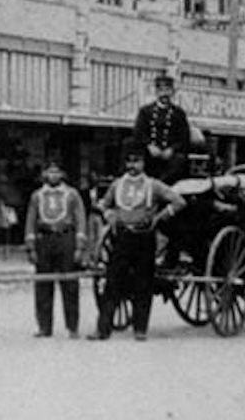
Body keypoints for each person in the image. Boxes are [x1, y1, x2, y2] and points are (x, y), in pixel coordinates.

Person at [88, 140, 185, 342]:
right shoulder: (117, 185)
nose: (132, 166)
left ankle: (140, 329)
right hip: (122, 238)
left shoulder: (154, 185)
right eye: (129, 162)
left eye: (137, 162)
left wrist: (160, 217)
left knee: (143, 284)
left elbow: (179, 201)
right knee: (112, 283)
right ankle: (102, 329)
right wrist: (109, 215)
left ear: (144, 164)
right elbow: (104, 205)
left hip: (144, 238)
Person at [23, 160, 88, 338]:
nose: (53, 175)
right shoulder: (37, 196)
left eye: (56, 172)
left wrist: (80, 246)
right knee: (43, 284)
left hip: (65, 238)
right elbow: (30, 221)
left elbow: (81, 219)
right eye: (49, 172)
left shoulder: (72, 194)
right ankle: (44, 327)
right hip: (44, 239)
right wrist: (31, 247)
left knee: (70, 284)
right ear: (44, 175)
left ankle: (72, 327)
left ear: (62, 175)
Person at [133, 73, 192, 184]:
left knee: (180, 160)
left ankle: (161, 186)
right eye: (161, 90)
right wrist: (149, 145)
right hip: (150, 152)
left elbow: (184, 137)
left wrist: (172, 149)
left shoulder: (178, 113)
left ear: (172, 92)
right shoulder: (146, 111)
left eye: (167, 90)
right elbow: (138, 133)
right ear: (156, 92)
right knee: (135, 155)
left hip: (169, 154)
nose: (164, 94)